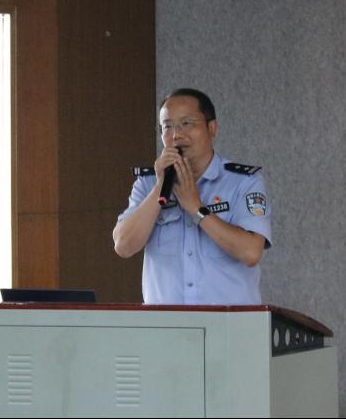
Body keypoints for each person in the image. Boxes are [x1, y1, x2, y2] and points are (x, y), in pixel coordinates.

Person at [113, 88, 272, 305]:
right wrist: (160, 187)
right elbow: (123, 245)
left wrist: (196, 208)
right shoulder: (148, 183)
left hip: (229, 322)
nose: (176, 135)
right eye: (167, 126)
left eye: (186, 123)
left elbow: (251, 253)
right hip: (166, 323)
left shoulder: (243, 181)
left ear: (212, 128)